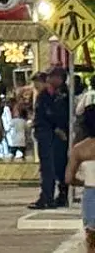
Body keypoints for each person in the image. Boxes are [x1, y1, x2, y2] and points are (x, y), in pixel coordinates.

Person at [30, 68, 70, 209]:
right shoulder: (47, 94)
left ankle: (51, 197)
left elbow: (57, 114)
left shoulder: (63, 94)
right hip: (47, 133)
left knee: (54, 166)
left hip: (53, 134)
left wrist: (57, 128)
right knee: (49, 166)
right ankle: (48, 196)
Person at [66, 108, 95, 253]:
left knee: (92, 239)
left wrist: (84, 182)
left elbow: (68, 178)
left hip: (90, 193)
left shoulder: (79, 149)